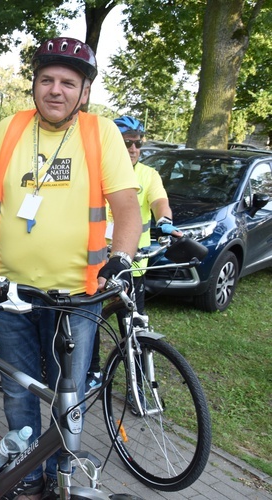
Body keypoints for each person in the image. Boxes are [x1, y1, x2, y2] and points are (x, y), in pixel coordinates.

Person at [0, 37, 142, 498]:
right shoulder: (10, 129)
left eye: (68, 82)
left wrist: (122, 258)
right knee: (18, 389)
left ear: (83, 92)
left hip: (79, 294)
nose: (56, 90)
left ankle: (61, 473)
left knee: (66, 394)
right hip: (12, 292)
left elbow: (127, 207)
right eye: (46, 79)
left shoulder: (101, 133)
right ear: (33, 85)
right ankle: (25, 473)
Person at [85, 115, 178, 393]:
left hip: (132, 265)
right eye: (127, 143)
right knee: (90, 321)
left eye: (138, 143)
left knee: (133, 325)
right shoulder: (97, 173)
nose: (133, 149)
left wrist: (165, 221)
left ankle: (135, 384)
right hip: (96, 262)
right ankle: (92, 372)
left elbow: (160, 201)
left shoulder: (149, 175)